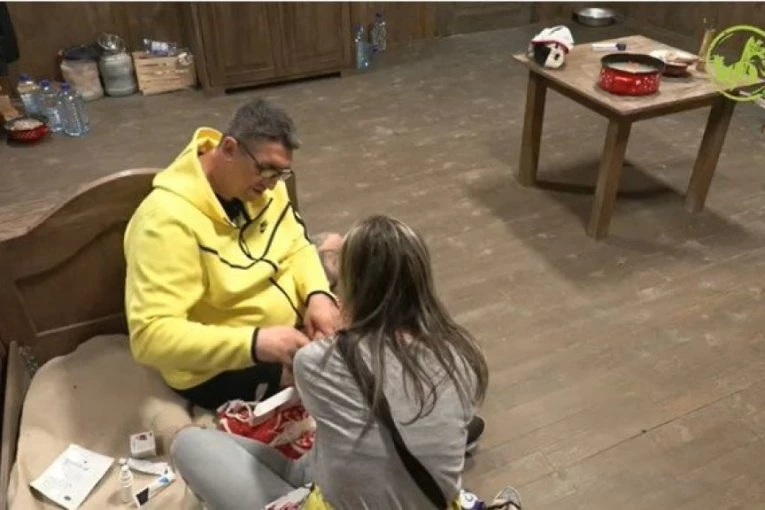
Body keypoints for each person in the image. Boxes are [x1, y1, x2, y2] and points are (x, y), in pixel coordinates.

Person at [170, 215, 516, 510]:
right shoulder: (463, 355)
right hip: (427, 499)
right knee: (320, 456)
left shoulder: (317, 362)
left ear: (349, 288)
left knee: (189, 444)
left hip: (339, 498)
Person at [123, 98, 342, 410]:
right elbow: (150, 337)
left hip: (284, 328)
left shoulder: (265, 187)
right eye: (266, 170)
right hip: (223, 366)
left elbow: (296, 243)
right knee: (346, 381)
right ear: (228, 149)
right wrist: (255, 343)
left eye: (280, 174)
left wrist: (317, 295)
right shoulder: (164, 222)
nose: (271, 186)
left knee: (347, 257)